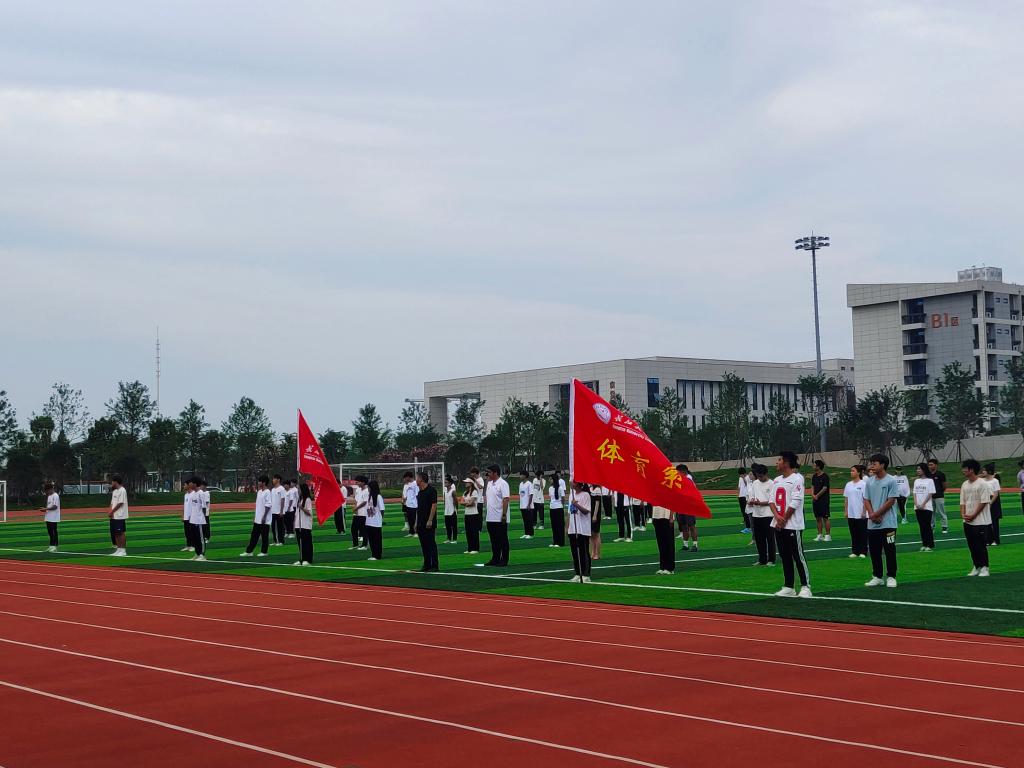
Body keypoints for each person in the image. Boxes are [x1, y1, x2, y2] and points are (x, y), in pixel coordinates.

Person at [770, 452, 810, 597]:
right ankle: (789, 586)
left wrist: (784, 519)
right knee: (784, 556)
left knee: (798, 556)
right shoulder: (776, 480)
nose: (777, 462)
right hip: (778, 524)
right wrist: (777, 518)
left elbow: (796, 501)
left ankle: (805, 586)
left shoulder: (797, 479)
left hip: (792, 524)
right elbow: (771, 501)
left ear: (786, 463)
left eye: (779, 460)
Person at [864, 453, 899, 588]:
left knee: (890, 549)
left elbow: (891, 500)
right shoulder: (869, 481)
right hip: (872, 524)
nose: (872, 466)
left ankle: (891, 576)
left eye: (875, 463)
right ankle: (877, 576)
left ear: (883, 465)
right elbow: (866, 499)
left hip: (888, 523)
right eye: (871, 463)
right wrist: (872, 514)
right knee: (874, 551)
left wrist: (877, 514)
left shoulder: (891, 480)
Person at [960, 459, 992, 577]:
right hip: (967, 521)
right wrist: (963, 514)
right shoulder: (964, 484)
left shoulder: (982, 484)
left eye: (965, 468)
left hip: (980, 521)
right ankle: (977, 566)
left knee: (980, 545)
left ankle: (985, 567)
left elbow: (984, 502)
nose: (963, 471)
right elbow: (962, 501)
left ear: (971, 470)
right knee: (972, 545)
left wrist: (973, 515)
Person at [747, 464, 776, 566]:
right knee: (759, 539)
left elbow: (773, 501)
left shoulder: (772, 484)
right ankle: (762, 559)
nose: (759, 478)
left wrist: (760, 503)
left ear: (766, 474)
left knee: (770, 538)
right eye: (758, 476)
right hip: (756, 514)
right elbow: (752, 496)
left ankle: (771, 559)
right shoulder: (755, 483)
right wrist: (751, 501)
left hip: (768, 515)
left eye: (761, 476)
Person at [567, 481, 594, 582]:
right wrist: (567, 527)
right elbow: (569, 513)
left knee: (584, 551)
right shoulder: (571, 495)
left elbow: (586, 511)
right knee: (574, 552)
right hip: (573, 528)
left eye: (573, 482)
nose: (571, 483)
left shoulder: (585, 495)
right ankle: (578, 573)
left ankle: (586, 574)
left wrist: (576, 505)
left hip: (583, 528)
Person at [484, 465, 510, 566]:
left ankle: (504, 560)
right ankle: (495, 558)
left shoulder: (503, 484)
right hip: (490, 517)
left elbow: (506, 499)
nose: (487, 474)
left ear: (495, 473)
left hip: (499, 517)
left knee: (502, 539)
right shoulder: (489, 483)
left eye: (489, 472)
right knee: (494, 540)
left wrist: (504, 514)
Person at [240, 475, 272, 557]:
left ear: (264, 483)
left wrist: (264, 517)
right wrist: (256, 516)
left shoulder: (267, 492)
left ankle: (264, 552)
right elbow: (258, 506)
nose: (258, 483)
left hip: (264, 520)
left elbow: (268, 505)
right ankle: (249, 551)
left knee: (264, 537)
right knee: (254, 536)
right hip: (257, 519)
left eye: (260, 481)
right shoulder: (259, 492)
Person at [414, 471, 439, 572]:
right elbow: (418, 509)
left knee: (431, 543)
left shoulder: (431, 490)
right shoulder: (420, 493)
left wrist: (430, 520)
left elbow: (434, 505)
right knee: (424, 544)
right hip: (420, 522)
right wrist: (416, 522)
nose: (416, 480)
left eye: (417, 478)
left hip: (428, 522)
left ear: (421, 479)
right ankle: (427, 564)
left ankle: (435, 565)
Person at [842, 465, 868, 558]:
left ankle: (863, 551)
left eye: (853, 471)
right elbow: (846, 499)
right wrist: (846, 511)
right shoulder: (848, 484)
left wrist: (864, 511)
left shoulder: (863, 484)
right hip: (851, 513)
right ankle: (855, 551)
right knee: (853, 533)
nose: (851, 472)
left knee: (862, 533)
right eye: (851, 471)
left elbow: (866, 499)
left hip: (860, 513)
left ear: (859, 472)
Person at [912, 463, 937, 552]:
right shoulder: (916, 481)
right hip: (917, 507)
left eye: (919, 469)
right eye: (917, 469)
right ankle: (924, 544)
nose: (918, 470)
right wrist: (916, 503)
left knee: (927, 526)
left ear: (924, 470)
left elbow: (930, 493)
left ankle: (930, 545)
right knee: (921, 526)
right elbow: (914, 493)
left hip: (927, 507)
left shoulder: (930, 481)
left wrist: (923, 504)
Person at [184, 476, 207, 561]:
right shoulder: (193, 494)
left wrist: (202, 518)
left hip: (199, 520)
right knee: (195, 538)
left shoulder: (201, 493)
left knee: (200, 539)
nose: (189, 484)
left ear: (195, 484)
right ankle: (197, 554)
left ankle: (202, 555)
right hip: (192, 520)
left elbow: (204, 507)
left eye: (191, 483)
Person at [292, 482, 314, 566]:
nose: (298, 491)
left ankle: (307, 559)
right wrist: (295, 525)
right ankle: (301, 558)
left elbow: (309, 512)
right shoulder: (299, 500)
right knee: (300, 543)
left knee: (306, 543)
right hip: (299, 525)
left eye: (299, 489)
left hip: (305, 525)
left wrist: (302, 507)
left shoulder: (307, 500)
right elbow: (296, 514)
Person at [651, 499, 675, 574]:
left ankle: (670, 568)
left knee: (669, 543)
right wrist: (653, 516)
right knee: (660, 543)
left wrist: (671, 517)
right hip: (656, 516)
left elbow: (672, 502)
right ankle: (662, 567)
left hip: (666, 516)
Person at [677, 465, 698, 552]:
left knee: (691, 526)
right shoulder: (682, 479)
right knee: (683, 526)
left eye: (678, 472)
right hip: (681, 505)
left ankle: (695, 545)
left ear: (683, 471)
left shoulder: (688, 479)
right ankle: (685, 544)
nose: (677, 473)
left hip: (688, 506)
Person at [811, 460, 832, 542]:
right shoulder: (814, 476)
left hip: (823, 500)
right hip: (815, 500)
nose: (813, 466)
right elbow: (812, 486)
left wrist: (817, 496)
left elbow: (825, 488)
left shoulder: (825, 476)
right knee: (818, 518)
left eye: (814, 465)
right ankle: (819, 535)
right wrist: (813, 494)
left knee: (825, 518)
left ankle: (828, 535)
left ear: (818, 466)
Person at [108, 474, 129, 556]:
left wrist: (112, 512)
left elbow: (120, 503)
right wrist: (110, 511)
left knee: (121, 532)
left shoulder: (122, 490)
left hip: (120, 515)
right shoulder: (114, 491)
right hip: (114, 515)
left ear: (116, 482)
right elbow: (112, 503)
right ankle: (118, 549)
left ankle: (123, 550)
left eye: (112, 481)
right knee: (115, 532)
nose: (111, 483)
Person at [927, 459, 949, 534]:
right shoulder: (928, 475)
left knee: (941, 512)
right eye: (929, 465)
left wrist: (939, 492)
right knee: (931, 513)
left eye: (931, 465)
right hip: (930, 497)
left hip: (939, 496)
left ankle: (944, 526)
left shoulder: (940, 474)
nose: (930, 466)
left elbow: (944, 486)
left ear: (936, 465)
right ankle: (932, 527)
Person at [364, 479, 385, 560]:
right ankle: (373, 554)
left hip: (376, 522)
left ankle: (377, 555)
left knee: (377, 540)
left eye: (369, 487)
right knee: (371, 540)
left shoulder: (378, 496)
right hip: (369, 521)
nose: (368, 489)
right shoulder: (369, 496)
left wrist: (380, 519)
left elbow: (382, 509)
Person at [982, 463, 1002, 546]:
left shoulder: (995, 481)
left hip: (993, 502)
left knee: (994, 522)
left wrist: (990, 503)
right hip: (985, 501)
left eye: (984, 470)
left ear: (989, 471)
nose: (983, 472)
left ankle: (996, 540)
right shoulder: (982, 481)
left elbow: (996, 494)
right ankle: (988, 540)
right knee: (986, 522)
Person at [461, 478, 481, 554]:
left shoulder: (474, 492)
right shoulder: (465, 493)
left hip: (474, 514)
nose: (465, 483)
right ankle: (470, 548)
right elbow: (461, 502)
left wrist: (466, 503)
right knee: (468, 532)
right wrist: (467, 503)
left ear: (471, 483)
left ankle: (475, 548)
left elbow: (471, 503)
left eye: (467, 482)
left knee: (474, 531)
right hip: (467, 514)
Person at [547, 470, 566, 548]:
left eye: (550, 479)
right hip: (552, 508)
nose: (549, 480)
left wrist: (561, 506)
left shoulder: (560, 488)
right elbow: (551, 498)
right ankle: (555, 541)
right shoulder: (550, 488)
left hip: (558, 508)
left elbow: (563, 499)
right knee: (554, 525)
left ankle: (560, 542)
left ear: (554, 479)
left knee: (559, 526)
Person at [40, 482, 60, 553]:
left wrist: (45, 509)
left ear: (51, 489)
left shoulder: (55, 496)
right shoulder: (49, 496)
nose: (47, 492)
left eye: (47, 490)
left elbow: (55, 507)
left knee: (54, 531)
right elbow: (49, 506)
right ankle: (51, 545)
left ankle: (55, 546)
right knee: (50, 532)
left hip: (54, 517)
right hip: (48, 516)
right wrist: (45, 509)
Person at [350, 475, 369, 550]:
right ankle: (355, 544)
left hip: (364, 513)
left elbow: (364, 502)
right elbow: (356, 500)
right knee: (353, 529)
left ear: (363, 482)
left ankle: (364, 545)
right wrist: (355, 508)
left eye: (358, 482)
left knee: (363, 530)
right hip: (357, 513)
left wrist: (356, 508)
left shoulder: (367, 491)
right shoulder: (358, 490)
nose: (356, 483)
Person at [518, 470, 535, 539]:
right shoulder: (520, 484)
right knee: (525, 520)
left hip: (528, 506)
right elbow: (520, 495)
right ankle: (526, 533)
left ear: (525, 476)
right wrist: (520, 504)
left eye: (521, 475)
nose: (520, 476)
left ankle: (531, 534)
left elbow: (531, 494)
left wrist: (529, 504)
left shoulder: (529, 484)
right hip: (522, 505)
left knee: (529, 520)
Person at [270, 474, 287, 546]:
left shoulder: (281, 489)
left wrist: (281, 511)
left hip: (279, 511)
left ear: (278, 480)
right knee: (273, 527)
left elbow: (283, 500)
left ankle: (281, 541)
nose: (273, 480)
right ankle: (275, 541)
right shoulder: (272, 490)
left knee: (280, 527)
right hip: (273, 511)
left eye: (274, 479)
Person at [442, 475, 459, 544]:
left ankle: (454, 539)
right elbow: (445, 502)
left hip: (452, 511)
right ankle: (448, 538)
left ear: (450, 483)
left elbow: (456, 501)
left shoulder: (453, 491)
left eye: (446, 482)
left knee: (454, 526)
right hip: (447, 511)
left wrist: (456, 509)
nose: (445, 483)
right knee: (448, 526)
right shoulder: (445, 492)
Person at [179, 477, 194, 553]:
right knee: (187, 532)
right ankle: (188, 545)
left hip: (192, 517)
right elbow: (185, 506)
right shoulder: (186, 495)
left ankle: (193, 546)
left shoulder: (193, 494)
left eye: (184, 485)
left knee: (192, 532)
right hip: (186, 517)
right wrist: (183, 515)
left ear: (189, 485)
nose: (183, 486)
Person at [402, 471, 418, 537]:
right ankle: (411, 532)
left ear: (408, 477)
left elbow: (417, 494)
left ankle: (416, 533)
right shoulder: (407, 484)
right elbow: (405, 495)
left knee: (415, 520)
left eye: (405, 477)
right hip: (408, 505)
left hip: (414, 505)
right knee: (410, 520)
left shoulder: (415, 484)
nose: (405, 479)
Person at [590, 485, 603, 561]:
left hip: (595, 514)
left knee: (596, 534)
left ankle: (597, 554)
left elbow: (597, 503)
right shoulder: (590, 488)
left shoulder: (597, 489)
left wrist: (594, 515)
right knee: (591, 534)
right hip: (590, 513)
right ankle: (593, 552)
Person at [737, 467, 751, 534]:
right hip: (741, 496)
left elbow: (747, 485)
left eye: (741, 474)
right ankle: (746, 522)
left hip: (745, 496)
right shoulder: (740, 478)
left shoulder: (748, 477)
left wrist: (743, 478)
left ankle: (748, 527)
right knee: (743, 511)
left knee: (746, 512)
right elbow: (739, 487)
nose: (740, 475)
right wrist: (738, 495)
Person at [199, 479, 211, 543]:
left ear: (204, 486)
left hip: (205, 513)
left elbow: (206, 503)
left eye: (201, 485)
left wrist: (205, 512)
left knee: (206, 526)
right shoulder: (201, 493)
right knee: (203, 526)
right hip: (202, 513)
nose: (200, 486)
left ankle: (207, 537)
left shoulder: (206, 493)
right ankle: (203, 537)